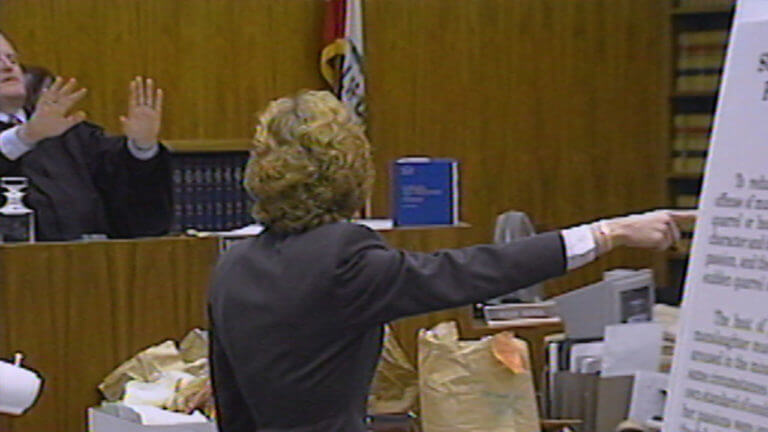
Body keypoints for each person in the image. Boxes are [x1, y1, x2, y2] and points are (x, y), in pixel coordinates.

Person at [208, 90, 694, 432]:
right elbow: (473, 272)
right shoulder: (343, 257)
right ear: (349, 173)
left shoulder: (231, 266)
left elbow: (231, 406)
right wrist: (609, 233)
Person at [0, 32, 172, 241]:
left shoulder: (68, 132)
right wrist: (25, 137)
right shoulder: (34, 129)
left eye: (12, 59)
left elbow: (134, 214)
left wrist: (142, 147)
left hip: (90, 264)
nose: (8, 67)